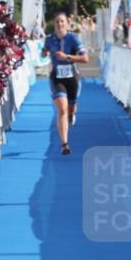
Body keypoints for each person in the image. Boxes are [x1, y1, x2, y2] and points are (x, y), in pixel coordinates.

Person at [41, 13, 89, 155]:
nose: (60, 24)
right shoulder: (49, 39)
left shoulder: (73, 38)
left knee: (71, 108)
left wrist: (68, 57)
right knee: (62, 109)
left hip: (72, 78)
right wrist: (44, 52)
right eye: (57, 22)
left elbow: (85, 58)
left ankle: (72, 113)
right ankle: (64, 144)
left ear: (67, 23)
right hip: (57, 78)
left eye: (62, 21)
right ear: (54, 24)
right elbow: (44, 52)